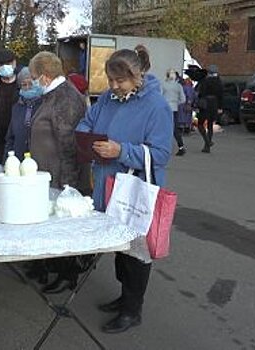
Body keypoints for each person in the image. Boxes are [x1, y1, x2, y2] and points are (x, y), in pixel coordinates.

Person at [76, 45, 173, 334]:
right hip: (108, 186)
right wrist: (85, 136)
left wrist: (121, 151)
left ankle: (133, 309)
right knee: (120, 247)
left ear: (137, 77)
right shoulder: (107, 98)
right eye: (111, 81)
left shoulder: (156, 105)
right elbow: (87, 121)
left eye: (120, 81)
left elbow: (161, 155)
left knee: (136, 252)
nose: (114, 87)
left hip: (136, 190)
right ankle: (124, 298)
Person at [27, 51, 90, 294]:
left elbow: (68, 146)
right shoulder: (51, 95)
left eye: (33, 77)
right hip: (47, 175)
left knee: (62, 228)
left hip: (61, 178)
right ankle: (50, 265)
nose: (32, 81)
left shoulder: (65, 98)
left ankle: (68, 273)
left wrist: (69, 186)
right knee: (48, 225)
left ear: (44, 76)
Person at [196, 64, 223, 153]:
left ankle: (207, 141)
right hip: (214, 104)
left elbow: (200, 92)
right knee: (210, 125)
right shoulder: (219, 82)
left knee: (200, 124)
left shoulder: (204, 81)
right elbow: (221, 95)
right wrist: (220, 107)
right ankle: (207, 146)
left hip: (205, 103)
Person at [161, 68, 186, 156]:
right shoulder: (178, 86)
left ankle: (163, 147)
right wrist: (175, 103)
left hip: (165, 109)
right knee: (175, 128)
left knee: (163, 128)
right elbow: (183, 99)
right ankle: (181, 146)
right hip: (174, 108)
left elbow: (159, 97)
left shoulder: (163, 85)